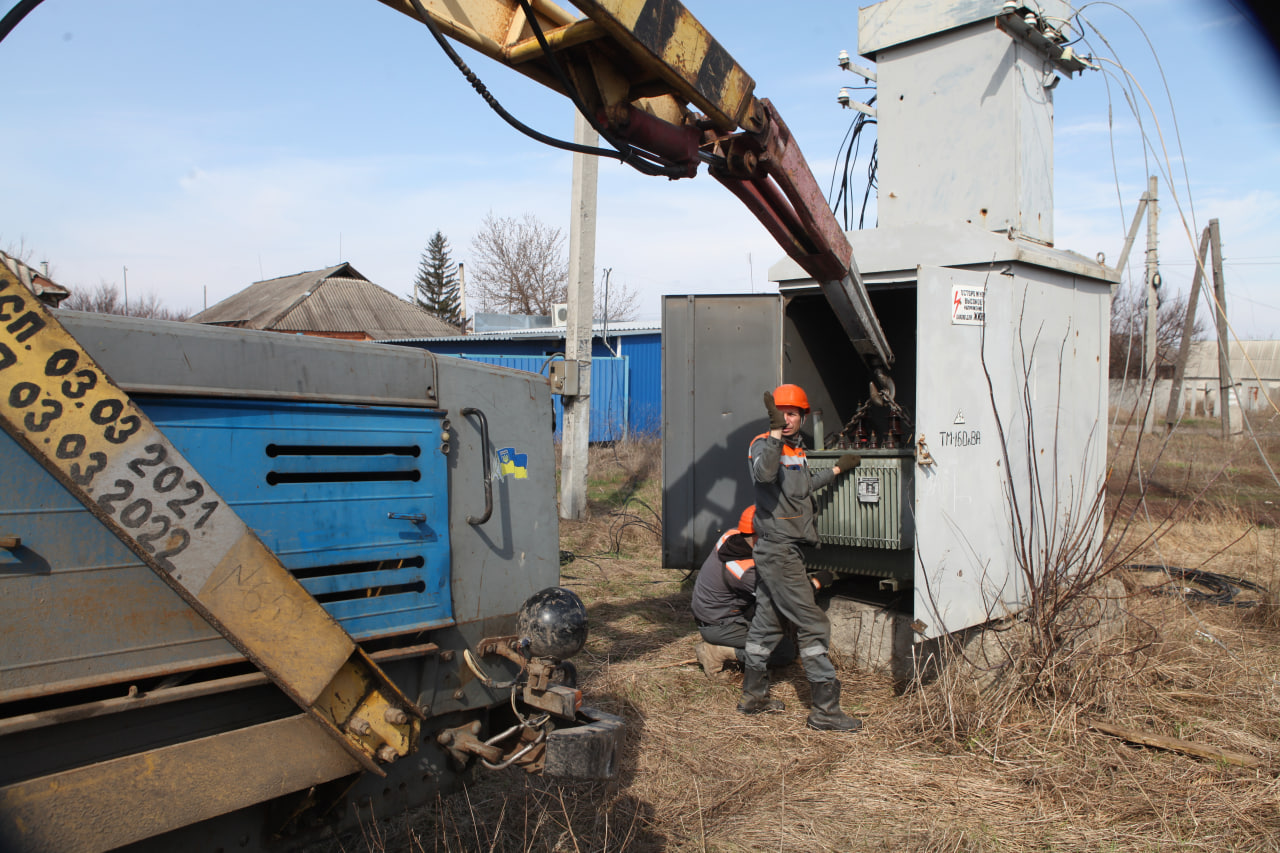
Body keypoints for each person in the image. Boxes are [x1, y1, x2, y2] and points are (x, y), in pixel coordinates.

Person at [738, 383, 864, 732]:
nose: (789, 419)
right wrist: (775, 434)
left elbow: (802, 487)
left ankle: (753, 697)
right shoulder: (765, 445)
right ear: (773, 416)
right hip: (779, 550)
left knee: (768, 622)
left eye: (793, 413)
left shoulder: (797, 451)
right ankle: (825, 711)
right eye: (782, 413)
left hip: (782, 549)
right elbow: (764, 474)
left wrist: (837, 471)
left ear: (802, 416)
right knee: (812, 623)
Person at [691, 505, 833, 677]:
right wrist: (817, 582)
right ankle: (718, 651)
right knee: (783, 652)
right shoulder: (746, 572)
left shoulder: (733, 535)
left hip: (713, 612)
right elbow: (788, 600)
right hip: (719, 624)